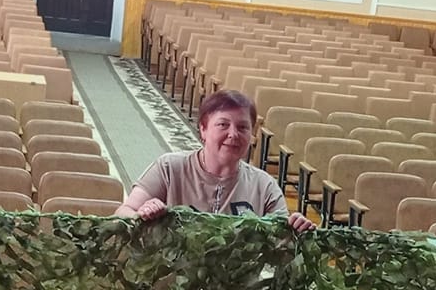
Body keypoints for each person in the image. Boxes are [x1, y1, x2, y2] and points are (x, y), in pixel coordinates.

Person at [117, 90, 315, 232]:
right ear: (203, 129)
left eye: (243, 127)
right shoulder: (170, 168)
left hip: (235, 287)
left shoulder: (264, 186)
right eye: (223, 124)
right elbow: (122, 213)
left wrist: (295, 231)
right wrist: (142, 215)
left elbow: (280, 248)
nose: (233, 134)